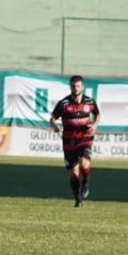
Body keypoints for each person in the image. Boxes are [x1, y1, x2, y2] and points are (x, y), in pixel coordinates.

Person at [50, 75, 100, 208]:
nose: (76, 88)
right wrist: (55, 126)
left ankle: (86, 184)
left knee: (84, 163)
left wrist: (95, 125)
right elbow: (52, 118)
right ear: (70, 86)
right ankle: (78, 198)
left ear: (82, 87)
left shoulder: (89, 102)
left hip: (85, 137)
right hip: (69, 140)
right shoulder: (64, 104)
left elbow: (97, 114)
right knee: (74, 172)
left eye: (78, 86)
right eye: (73, 86)